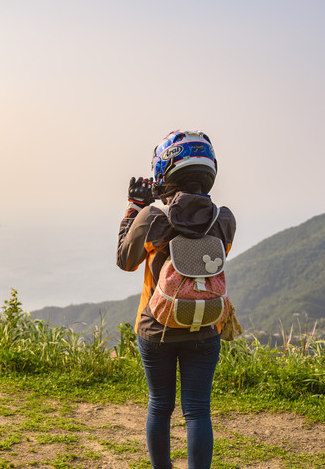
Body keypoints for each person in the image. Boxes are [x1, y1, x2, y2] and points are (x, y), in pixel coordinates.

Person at [116, 130, 236, 469]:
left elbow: (125, 261)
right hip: (205, 324)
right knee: (197, 409)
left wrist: (133, 208)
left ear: (163, 172)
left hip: (157, 329)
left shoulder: (152, 218)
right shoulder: (224, 219)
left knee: (160, 405)